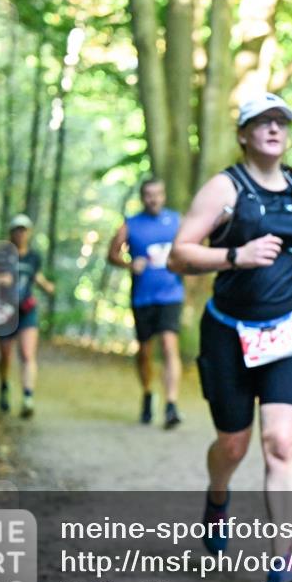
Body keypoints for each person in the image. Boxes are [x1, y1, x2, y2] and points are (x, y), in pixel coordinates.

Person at [168, 93, 292, 582]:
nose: (275, 128)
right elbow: (179, 255)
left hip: (286, 333)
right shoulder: (224, 188)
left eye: (282, 121)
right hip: (228, 334)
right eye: (263, 121)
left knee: (280, 443)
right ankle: (218, 497)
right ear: (243, 133)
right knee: (233, 445)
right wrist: (237, 254)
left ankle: (284, 567)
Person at [108, 178, 185, 429]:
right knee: (145, 352)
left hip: (171, 294)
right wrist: (130, 264)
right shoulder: (131, 225)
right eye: (149, 195)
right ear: (142, 197)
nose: (154, 199)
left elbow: (193, 249)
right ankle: (148, 392)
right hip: (142, 297)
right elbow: (112, 254)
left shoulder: (176, 221)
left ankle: (171, 404)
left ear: (164, 196)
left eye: (158, 194)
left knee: (169, 344)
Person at [0, 214, 55, 418]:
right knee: (5, 355)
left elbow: (36, 276)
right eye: (17, 229)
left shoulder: (34, 257)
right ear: (11, 232)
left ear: (29, 232)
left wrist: (47, 286)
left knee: (27, 354)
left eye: (24, 230)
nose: (20, 233)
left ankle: (28, 398)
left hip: (26, 310)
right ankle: (4, 386)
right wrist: (0, 279)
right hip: (3, 312)